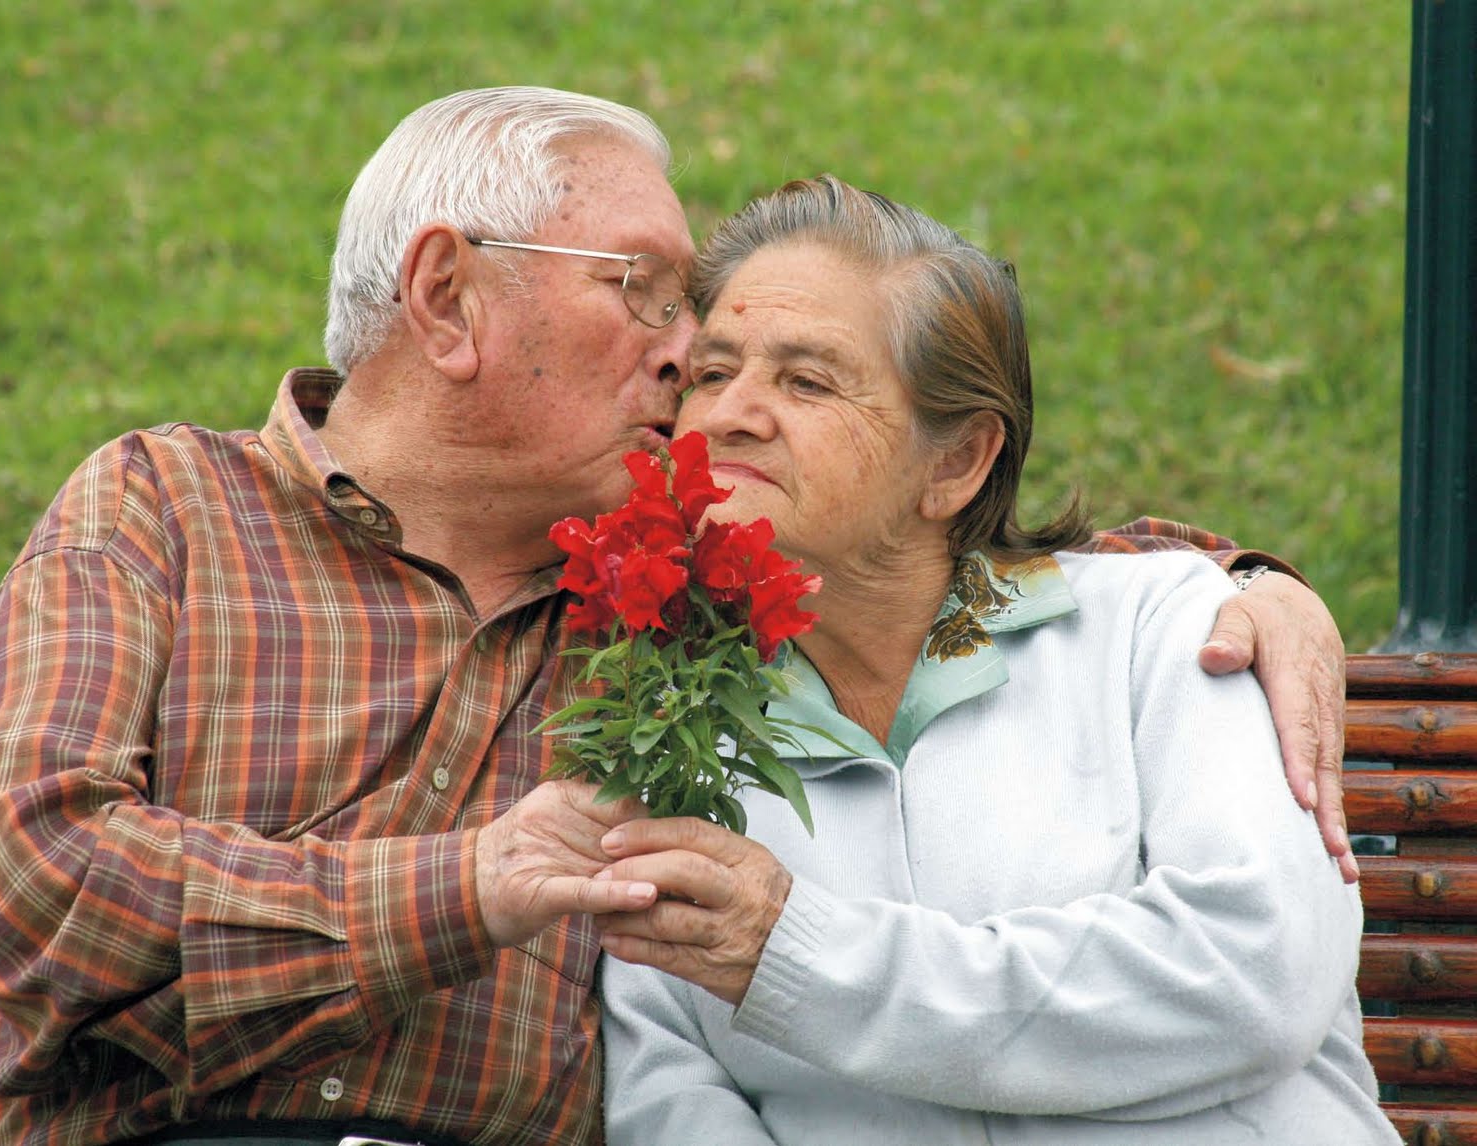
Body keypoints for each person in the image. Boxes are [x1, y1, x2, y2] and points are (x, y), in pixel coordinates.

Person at [0, 88, 1350, 1146]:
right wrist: (472, 885)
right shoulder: (162, 511)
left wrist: (1239, 583)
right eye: (654, 301)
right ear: (447, 297)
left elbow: (920, 544)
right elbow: (34, 892)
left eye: (723, 330)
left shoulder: (668, 606)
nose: (695, 371)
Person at [595, 175, 1396, 1143]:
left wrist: (798, 954)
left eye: (805, 382)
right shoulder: (677, 727)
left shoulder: (1163, 629)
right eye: (713, 373)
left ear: (955, 463)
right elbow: (667, 1095)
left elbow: (1256, 970)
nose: (730, 414)